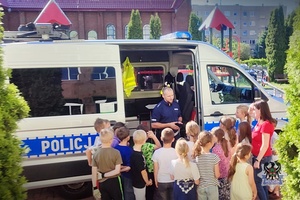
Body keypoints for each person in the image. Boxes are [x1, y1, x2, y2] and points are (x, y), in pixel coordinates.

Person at [251, 100, 276, 200]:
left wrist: (258, 160)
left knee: (258, 182)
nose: (253, 112)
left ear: (260, 110)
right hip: (259, 156)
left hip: (263, 158)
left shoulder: (266, 124)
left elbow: (265, 145)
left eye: (255, 110)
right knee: (263, 183)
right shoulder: (258, 123)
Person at [91, 128, 123, 200]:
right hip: (114, 181)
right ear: (111, 140)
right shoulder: (116, 152)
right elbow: (117, 171)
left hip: (102, 183)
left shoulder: (96, 154)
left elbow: (94, 173)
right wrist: (104, 175)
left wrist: (95, 187)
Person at [136, 124, 161, 200]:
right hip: (151, 169)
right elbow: (159, 146)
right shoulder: (147, 146)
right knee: (151, 190)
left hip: (142, 169)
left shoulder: (137, 145)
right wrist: (153, 136)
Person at [152, 128, 177, 200]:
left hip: (161, 180)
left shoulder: (157, 152)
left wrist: (155, 180)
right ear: (173, 139)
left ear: (161, 138)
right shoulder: (175, 152)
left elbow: (156, 168)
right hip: (173, 180)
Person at [193, 131, 220, 200]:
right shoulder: (214, 157)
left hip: (201, 187)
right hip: (212, 186)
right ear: (209, 143)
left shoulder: (196, 158)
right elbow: (217, 175)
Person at [130, 130, 153, 200]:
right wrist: (147, 181)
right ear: (144, 140)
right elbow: (143, 171)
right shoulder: (138, 156)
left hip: (136, 181)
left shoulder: (133, 151)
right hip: (139, 183)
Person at [114, 127, 135, 200]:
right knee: (129, 192)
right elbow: (129, 167)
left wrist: (118, 169)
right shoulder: (129, 150)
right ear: (127, 137)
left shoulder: (115, 148)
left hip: (117, 176)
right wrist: (122, 169)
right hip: (128, 176)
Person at [211, 127, 231, 200]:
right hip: (228, 175)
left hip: (219, 176)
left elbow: (214, 163)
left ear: (216, 137)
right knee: (227, 195)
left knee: (221, 196)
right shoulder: (227, 145)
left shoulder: (215, 149)